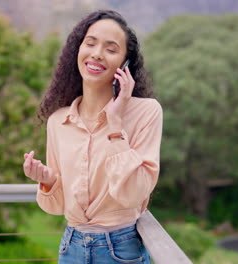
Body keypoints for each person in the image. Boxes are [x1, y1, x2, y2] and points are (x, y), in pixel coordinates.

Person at [23, 9, 162, 264]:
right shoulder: (58, 122)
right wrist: (49, 181)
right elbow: (55, 207)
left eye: (111, 48)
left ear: (125, 64)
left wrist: (115, 124)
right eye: (90, 43)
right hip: (70, 249)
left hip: (121, 251)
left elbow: (134, 194)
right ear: (78, 50)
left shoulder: (147, 112)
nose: (97, 53)